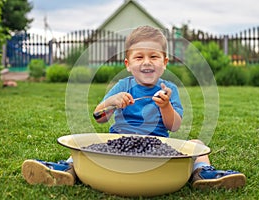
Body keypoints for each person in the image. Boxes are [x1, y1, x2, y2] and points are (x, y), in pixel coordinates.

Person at [22, 25, 246, 189]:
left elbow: (175, 126)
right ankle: (65, 170)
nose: (147, 62)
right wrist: (111, 102)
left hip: (158, 147)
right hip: (118, 144)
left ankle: (203, 175)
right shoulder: (122, 85)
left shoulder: (169, 90)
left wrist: (166, 106)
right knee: (87, 142)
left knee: (196, 143)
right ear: (128, 65)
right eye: (139, 57)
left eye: (154, 56)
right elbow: (99, 116)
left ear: (164, 63)